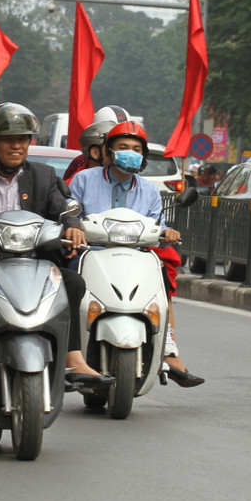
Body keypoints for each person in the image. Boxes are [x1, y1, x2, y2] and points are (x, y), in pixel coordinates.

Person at [0, 102, 111, 387]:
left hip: (34, 264)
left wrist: (73, 226)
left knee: (73, 283)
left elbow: (64, 206)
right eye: (8, 139)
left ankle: (72, 356)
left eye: (22, 139)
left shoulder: (42, 175)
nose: (16, 146)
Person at [69, 120, 205, 387]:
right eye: (123, 147)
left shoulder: (149, 190)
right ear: (108, 151)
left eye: (136, 148)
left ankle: (168, 348)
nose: (130, 152)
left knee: (163, 281)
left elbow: (157, 225)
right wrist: (74, 228)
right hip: (90, 254)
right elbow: (70, 213)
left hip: (134, 257)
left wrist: (168, 233)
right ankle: (68, 351)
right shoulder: (83, 179)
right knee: (68, 284)